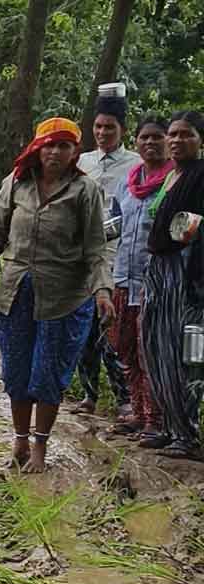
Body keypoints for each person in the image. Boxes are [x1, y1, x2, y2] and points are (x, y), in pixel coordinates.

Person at [0, 118, 113, 473]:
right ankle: (19, 441)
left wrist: (103, 291)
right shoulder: (15, 184)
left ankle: (41, 446)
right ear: (37, 147)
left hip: (64, 297)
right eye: (49, 145)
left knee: (47, 374)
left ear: (75, 151)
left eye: (64, 146)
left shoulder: (84, 190)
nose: (55, 152)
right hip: (17, 292)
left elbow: (95, 248)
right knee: (16, 371)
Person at [141, 110, 204, 460]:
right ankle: (168, 426)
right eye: (174, 134)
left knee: (187, 354)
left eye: (187, 134)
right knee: (156, 347)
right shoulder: (171, 177)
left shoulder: (201, 175)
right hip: (160, 271)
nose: (178, 140)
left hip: (190, 276)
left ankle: (187, 432)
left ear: (200, 140)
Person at [74, 95, 138, 417]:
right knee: (84, 329)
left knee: (112, 329)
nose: (102, 133)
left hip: (119, 255)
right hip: (83, 257)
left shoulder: (136, 165)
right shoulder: (83, 162)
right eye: (98, 127)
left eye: (109, 127)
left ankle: (124, 397)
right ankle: (89, 393)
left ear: (122, 129)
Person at [108, 116, 171, 441]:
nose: (150, 143)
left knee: (151, 353)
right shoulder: (127, 182)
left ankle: (156, 419)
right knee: (126, 349)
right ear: (136, 142)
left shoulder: (174, 182)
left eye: (156, 137)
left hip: (155, 283)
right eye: (144, 137)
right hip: (123, 278)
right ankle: (137, 410)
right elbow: (114, 225)